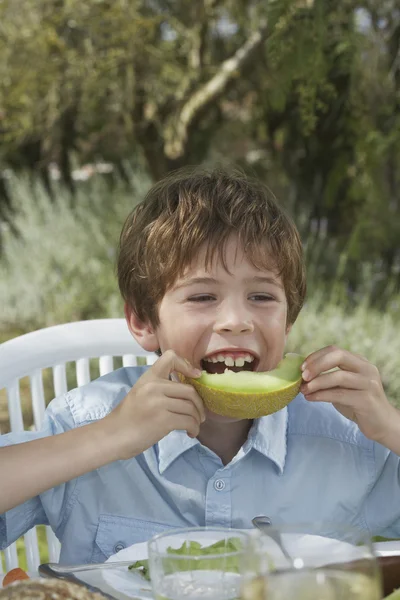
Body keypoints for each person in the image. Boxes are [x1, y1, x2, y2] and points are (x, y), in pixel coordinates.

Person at [1, 167, 400, 565]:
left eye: (261, 297)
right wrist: (108, 436)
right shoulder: (90, 422)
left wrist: (389, 426)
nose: (236, 320)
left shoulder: (347, 443)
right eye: (202, 297)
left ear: (288, 320)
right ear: (143, 322)